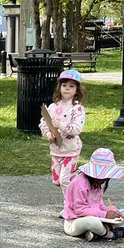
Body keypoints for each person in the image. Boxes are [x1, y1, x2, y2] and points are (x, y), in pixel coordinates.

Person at [62, 147, 124, 242]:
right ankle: (110, 234)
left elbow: (100, 206)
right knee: (93, 222)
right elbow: (80, 210)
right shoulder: (79, 183)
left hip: (95, 217)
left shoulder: (97, 183)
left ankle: (94, 234)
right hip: (75, 222)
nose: (104, 180)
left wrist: (113, 211)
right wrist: (105, 214)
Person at [38, 69, 86, 202]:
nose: (67, 89)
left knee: (64, 180)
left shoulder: (77, 109)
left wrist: (61, 125)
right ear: (60, 87)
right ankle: (77, 182)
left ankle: (69, 205)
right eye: (64, 85)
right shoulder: (53, 107)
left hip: (71, 150)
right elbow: (44, 123)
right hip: (56, 150)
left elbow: (76, 129)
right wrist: (48, 134)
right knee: (57, 181)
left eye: (71, 86)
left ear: (77, 90)